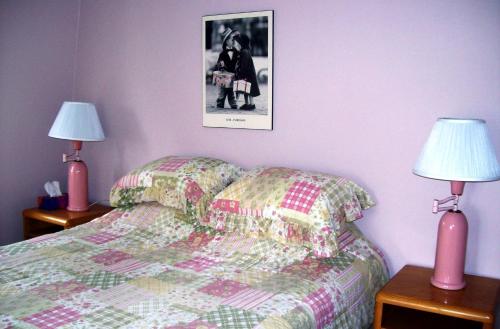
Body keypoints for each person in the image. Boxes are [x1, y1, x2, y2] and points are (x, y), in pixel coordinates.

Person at [234, 34, 260, 110]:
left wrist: (240, 72)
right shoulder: (244, 51)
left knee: (249, 90)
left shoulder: (244, 52)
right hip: (248, 74)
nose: (236, 44)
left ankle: (252, 104)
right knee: (246, 90)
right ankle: (247, 103)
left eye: (237, 42)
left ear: (241, 43)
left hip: (248, 75)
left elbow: (244, 65)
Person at [215, 28, 238, 109]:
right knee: (222, 90)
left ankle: (233, 102)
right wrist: (221, 64)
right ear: (227, 41)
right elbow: (218, 62)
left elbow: (237, 61)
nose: (233, 41)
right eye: (232, 39)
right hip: (224, 75)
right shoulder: (222, 53)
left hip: (232, 75)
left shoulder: (236, 51)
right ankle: (220, 102)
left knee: (231, 90)